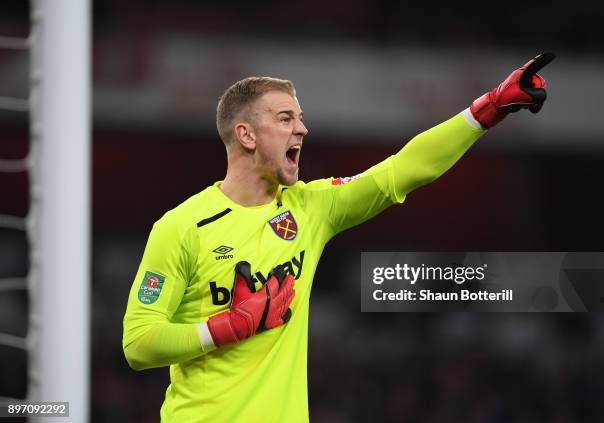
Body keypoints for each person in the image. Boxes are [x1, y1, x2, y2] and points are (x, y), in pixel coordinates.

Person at [122, 52, 554, 422]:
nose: (302, 130)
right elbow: (139, 343)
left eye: (302, 119)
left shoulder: (310, 208)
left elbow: (399, 171)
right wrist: (226, 327)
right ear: (246, 135)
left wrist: (486, 110)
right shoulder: (181, 226)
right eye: (286, 118)